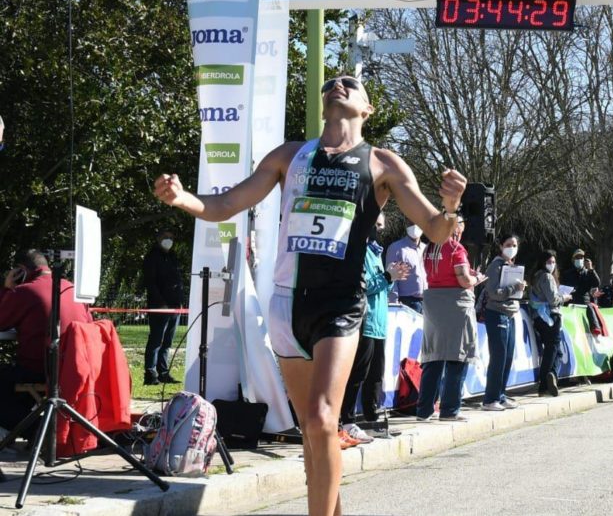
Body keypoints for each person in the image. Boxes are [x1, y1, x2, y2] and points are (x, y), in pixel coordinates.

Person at [152, 75, 467, 516]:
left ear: (367, 108)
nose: (338, 85)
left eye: (350, 83)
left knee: (322, 419)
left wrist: (451, 207)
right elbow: (227, 205)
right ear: (321, 103)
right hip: (286, 304)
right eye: (331, 83)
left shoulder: (382, 164)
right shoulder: (289, 156)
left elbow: (435, 228)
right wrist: (183, 198)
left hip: (340, 306)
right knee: (312, 432)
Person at [0, 250, 94, 434]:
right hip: (74, 370)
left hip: (39, 369)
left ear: (21, 270)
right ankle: (43, 428)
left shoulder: (24, 292)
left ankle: (39, 432)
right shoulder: (73, 290)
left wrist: (7, 288)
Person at [339, 213, 409, 445]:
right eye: (376, 225)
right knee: (357, 374)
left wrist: (390, 276)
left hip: (379, 324)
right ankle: (346, 420)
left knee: (376, 376)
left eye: (381, 226)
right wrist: (388, 275)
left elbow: (379, 286)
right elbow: (363, 287)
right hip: (365, 323)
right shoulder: (358, 252)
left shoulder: (376, 253)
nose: (379, 231)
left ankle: (372, 418)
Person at [416, 216, 482, 422]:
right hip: (456, 303)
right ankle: (450, 409)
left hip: (433, 303)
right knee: (457, 356)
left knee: (433, 358)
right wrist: (476, 279)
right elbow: (463, 278)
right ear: (457, 229)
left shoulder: (428, 249)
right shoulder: (456, 249)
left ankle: (424, 409)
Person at [482, 234, 525, 411]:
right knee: (498, 357)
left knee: (507, 357)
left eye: (514, 245)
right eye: (508, 244)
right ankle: (490, 398)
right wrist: (514, 287)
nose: (511, 247)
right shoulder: (495, 266)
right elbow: (493, 292)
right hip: (496, 313)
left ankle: (500, 394)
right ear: (501, 246)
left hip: (510, 313)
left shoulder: (512, 266)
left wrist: (519, 289)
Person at [142, 230, 184, 385]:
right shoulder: (152, 257)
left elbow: (178, 280)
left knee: (167, 342)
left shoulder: (173, 257)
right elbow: (150, 283)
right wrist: (161, 303)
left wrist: (179, 301)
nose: (169, 240)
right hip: (160, 306)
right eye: (165, 237)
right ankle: (150, 373)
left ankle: (163, 372)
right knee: (156, 340)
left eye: (171, 237)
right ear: (158, 238)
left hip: (174, 306)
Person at [529, 250, 571, 397]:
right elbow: (553, 299)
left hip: (539, 317)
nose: (552, 265)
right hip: (549, 316)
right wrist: (564, 297)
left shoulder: (536, 276)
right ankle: (545, 384)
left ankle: (551, 376)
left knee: (556, 350)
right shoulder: (546, 277)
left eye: (553, 262)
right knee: (552, 348)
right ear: (542, 262)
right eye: (549, 262)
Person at [386, 219, 427, 313]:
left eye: (418, 223)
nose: (415, 226)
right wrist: (393, 303)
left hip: (426, 301)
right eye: (411, 223)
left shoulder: (426, 248)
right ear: (406, 225)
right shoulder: (396, 248)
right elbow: (391, 279)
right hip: (406, 302)